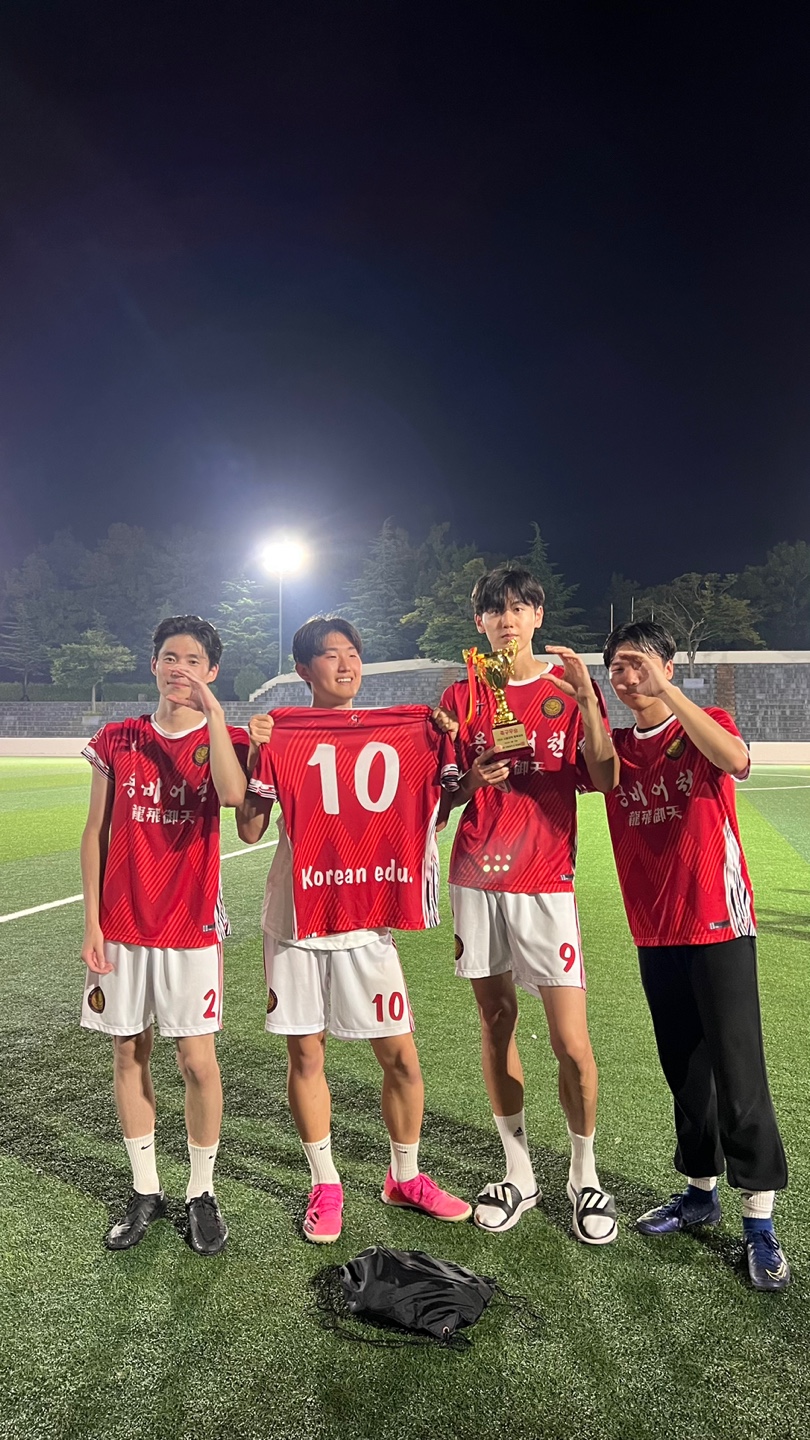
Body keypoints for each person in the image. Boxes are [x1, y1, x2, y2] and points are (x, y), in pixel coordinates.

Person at [236, 616, 471, 1244]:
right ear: (304, 670)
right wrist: (258, 752)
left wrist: (442, 742)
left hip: (365, 916)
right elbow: (250, 831)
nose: (345, 665)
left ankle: (405, 1177)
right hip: (297, 915)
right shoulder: (283, 731)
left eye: (353, 654)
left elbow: (434, 816)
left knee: (401, 1058)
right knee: (306, 1054)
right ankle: (326, 1183)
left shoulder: (405, 729)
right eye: (330, 656)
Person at [601, 620, 789, 1290]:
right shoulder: (616, 747)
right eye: (618, 668)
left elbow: (735, 759)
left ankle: (760, 1222)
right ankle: (700, 1191)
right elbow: (588, 771)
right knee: (684, 1069)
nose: (630, 677)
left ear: (668, 666)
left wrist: (670, 695)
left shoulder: (706, 721)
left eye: (641, 663)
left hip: (717, 920)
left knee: (740, 1072)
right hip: (655, 929)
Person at [439, 567, 618, 1243]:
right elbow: (444, 796)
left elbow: (604, 777)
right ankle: (519, 1170)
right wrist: (470, 780)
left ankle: (583, 1174)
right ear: (480, 623)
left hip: (545, 880)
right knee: (496, 1021)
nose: (507, 619)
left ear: (538, 616)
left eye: (519, 607)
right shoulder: (463, 693)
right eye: (495, 610)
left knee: (571, 1041)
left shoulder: (566, 689)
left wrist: (589, 704)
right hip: (477, 875)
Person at [80, 615, 248, 1256]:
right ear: (153, 664)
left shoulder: (223, 737)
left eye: (193, 660)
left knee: (197, 1061)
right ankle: (145, 1186)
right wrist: (92, 920)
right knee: (129, 1052)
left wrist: (213, 713)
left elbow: (231, 796)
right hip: (122, 923)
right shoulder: (117, 737)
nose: (180, 668)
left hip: (191, 923)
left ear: (211, 671)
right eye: (170, 657)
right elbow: (95, 832)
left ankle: (201, 1191)